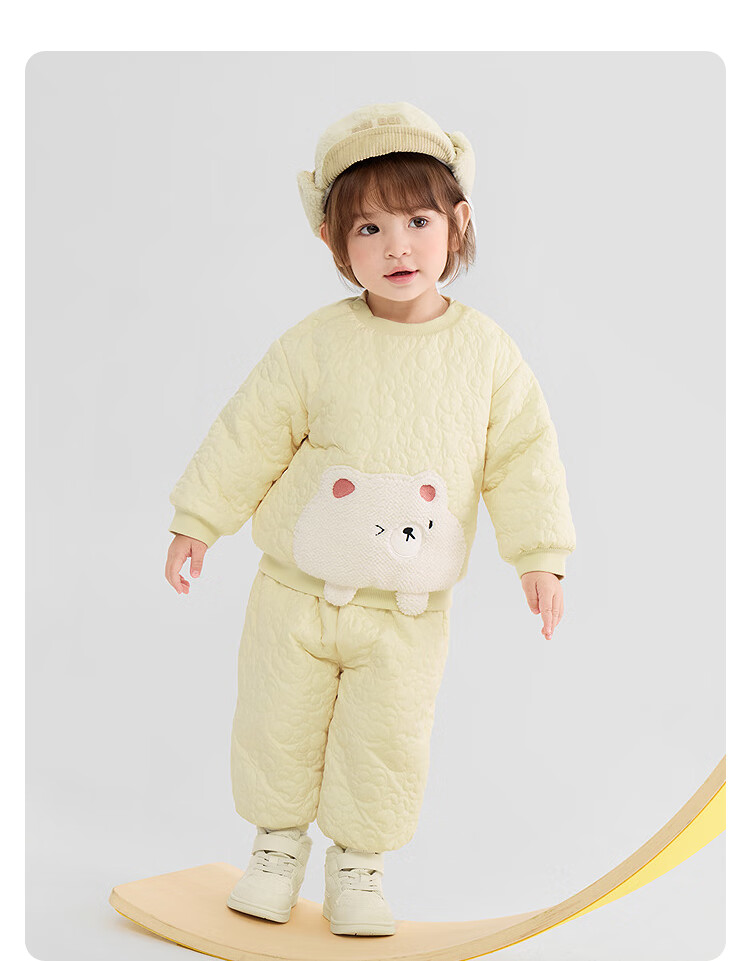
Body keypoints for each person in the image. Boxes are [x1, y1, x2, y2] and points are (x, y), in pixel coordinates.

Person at [164, 101, 576, 937]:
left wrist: (540, 553)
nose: (397, 246)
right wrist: (198, 518)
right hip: (294, 593)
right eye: (368, 228)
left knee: (384, 741)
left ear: (459, 222)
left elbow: (523, 455)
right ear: (332, 241)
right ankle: (275, 850)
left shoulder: (487, 354)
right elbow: (251, 431)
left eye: (418, 220)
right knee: (276, 723)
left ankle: (359, 866)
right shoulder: (314, 344)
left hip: (407, 614)